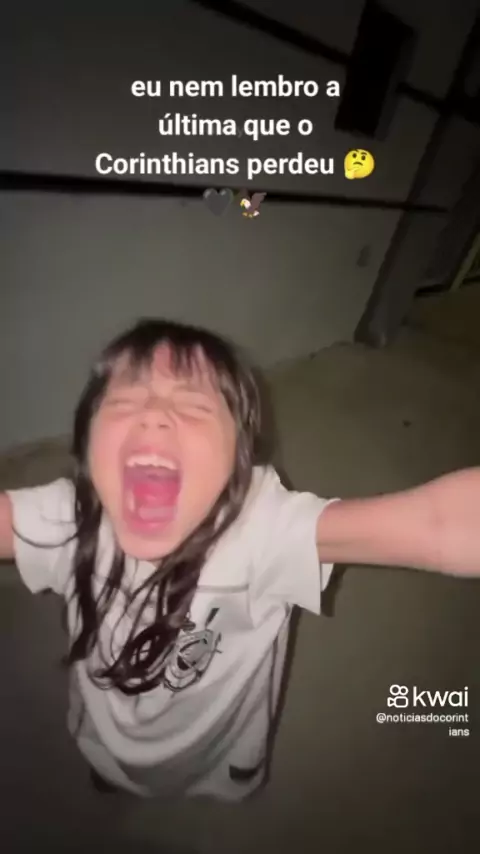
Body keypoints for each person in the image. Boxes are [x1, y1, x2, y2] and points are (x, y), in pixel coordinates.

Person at [0, 318, 478, 802]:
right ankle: (110, 772)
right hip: (103, 727)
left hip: (217, 746)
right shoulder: (69, 514)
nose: (154, 415)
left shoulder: (265, 529)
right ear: (86, 443)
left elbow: (437, 524)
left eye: (194, 405)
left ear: (239, 462)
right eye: (124, 401)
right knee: (107, 768)